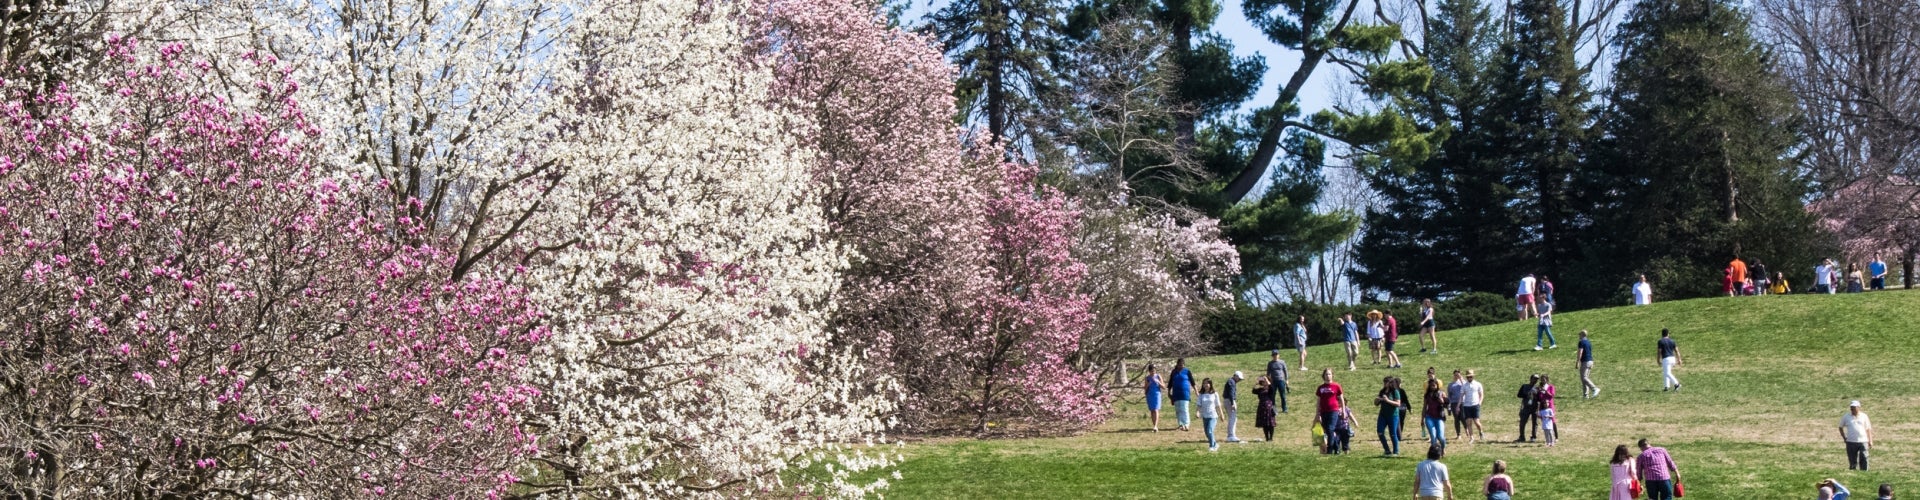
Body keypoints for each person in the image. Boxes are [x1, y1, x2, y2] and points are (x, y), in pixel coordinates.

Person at [1315, 369, 1352, 454]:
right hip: (1324, 411)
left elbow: (1341, 399)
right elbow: (1318, 401)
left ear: (1332, 375)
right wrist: (1317, 413)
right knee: (1327, 430)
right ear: (1323, 376)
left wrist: (1343, 411)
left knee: (1330, 428)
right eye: (1326, 374)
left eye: (1329, 374)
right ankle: (1336, 447)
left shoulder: (1336, 386)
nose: (1328, 376)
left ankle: (1330, 449)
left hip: (1333, 410)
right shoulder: (1320, 388)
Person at [1840, 400, 1874, 470]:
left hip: (1863, 440)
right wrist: (1844, 437)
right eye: (1851, 407)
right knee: (1852, 459)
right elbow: (1840, 427)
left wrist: (1870, 440)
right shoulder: (1846, 416)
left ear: (1858, 407)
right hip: (1851, 441)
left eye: (1854, 407)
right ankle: (1853, 471)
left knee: (1864, 457)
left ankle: (1864, 472)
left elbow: (1868, 429)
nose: (1852, 409)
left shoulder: (1864, 416)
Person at [1376, 376, 1404, 456]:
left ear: (1390, 383)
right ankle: (1387, 450)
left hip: (1393, 415)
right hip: (1383, 415)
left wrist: (1387, 400)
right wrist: (1377, 400)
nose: (1384, 384)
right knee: (1380, 432)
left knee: (1392, 434)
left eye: (1386, 382)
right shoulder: (1382, 391)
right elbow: (1376, 403)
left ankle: (1396, 451)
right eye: (1384, 382)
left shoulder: (1395, 392)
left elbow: (1398, 404)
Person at [1169, 358, 1196, 430]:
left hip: (1185, 393)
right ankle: (1181, 424)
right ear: (1177, 364)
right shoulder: (1173, 372)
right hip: (1176, 393)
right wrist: (1169, 393)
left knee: (1184, 409)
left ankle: (1186, 424)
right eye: (1179, 365)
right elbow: (1170, 383)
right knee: (1178, 410)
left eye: (1182, 365)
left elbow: (1192, 382)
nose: (1181, 366)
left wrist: (1196, 391)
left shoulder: (1187, 371)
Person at [1421, 376, 1447, 448]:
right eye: (1431, 385)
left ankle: (1443, 449)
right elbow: (1424, 407)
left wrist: (1441, 401)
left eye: (1434, 385)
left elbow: (1447, 406)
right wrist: (1422, 418)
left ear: (1437, 385)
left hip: (1439, 417)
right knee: (1433, 436)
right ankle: (1434, 453)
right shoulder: (1427, 395)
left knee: (1440, 437)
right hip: (1429, 416)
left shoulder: (1442, 393)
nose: (1433, 387)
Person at [1196, 378, 1222, 451]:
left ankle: (1212, 446)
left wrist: (1221, 414)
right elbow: (1199, 404)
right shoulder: (1201, 394)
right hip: (1205, 416)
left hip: (1213, 416)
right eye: (1204, 383)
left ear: (1210, 384)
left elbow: (1218, 405)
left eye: (1207, 383)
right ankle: (1215, 444)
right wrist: (1197, 412)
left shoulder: (1214, 394)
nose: (1205, 385)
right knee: (1207, 433)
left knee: (1209, 431)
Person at [1461, 370, 1486, 444]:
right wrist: (1459, 404)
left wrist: (1479, 403)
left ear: (1473, 376)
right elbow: (1461, 395)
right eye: (1468, 377)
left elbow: (1481, 394)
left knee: (1476, 422)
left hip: (1475, 405)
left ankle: (1481, 432)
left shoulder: (1478, 384)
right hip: (1467, 405)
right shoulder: (1464, 385)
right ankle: (1471, 437)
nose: (1469, 378)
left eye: (1471, 376)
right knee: (1468, 422)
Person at [1515, 375, 1539, 443]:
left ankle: (1533, 437)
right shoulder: (1524, 386)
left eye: (1536, 379)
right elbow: (1519, 395)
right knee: (1522, 422)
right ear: (1530, 379)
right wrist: (1527, 395)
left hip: (1534, 407)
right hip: (1526, 407)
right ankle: (1522, 437)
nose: (1535, 381)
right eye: (1534, 379)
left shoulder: (1537, 388)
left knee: (1535, 423)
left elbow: (1540, 397)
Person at [1535, 374, 1557, 447]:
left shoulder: (1551, 387)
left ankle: (1555, 437)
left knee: (1552, 420)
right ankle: (1547, 439)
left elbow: (1552, 395)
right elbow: (1539, 397)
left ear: (1547, 380)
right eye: (1542, 379)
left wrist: (1545, 391)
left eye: (1544, 379)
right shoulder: (1540, 388)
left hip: (1550, 405)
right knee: (1544, 420)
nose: (1543, 381)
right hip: (1542, 406)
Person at [1254, 375, 1278, 442]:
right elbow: (1253, 391)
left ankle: (1271, 438)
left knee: (1271, 424)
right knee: (1265, 424)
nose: (1264, 382)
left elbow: (1272, 388)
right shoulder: (1260, 389)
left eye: (1265, 381)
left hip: (1269, 407)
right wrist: (1256, 383)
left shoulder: (1270, 389)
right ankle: (1267, 438)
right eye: (1263, 381)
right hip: (1262, 407)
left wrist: (1267, 379)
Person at [1267, 350, 1290, 414]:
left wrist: (1287, 379)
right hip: (1273, 381)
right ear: (1272, 356)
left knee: (1282, 395)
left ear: (1278, 355)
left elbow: (1285, 371)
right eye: (1274, 355)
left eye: (1276, 355)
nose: (1275, 356)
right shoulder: (1270, 363)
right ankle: (1274, 409)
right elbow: (1268, 373)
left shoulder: (1282, 362)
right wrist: (1268, 381)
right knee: (1272, 396)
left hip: (1281, 381)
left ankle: (1284, 408)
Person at [1577, 330, 1599, 398]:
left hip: (1585, 361)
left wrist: (1577, 361)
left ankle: (1594, 388)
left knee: (1584, 377)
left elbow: (1580, 352)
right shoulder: (1588, 342)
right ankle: (1585, 395)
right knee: (1585, 378)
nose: (1579, 336)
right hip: (1590, 361)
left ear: (1582, 335)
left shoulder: (1581, 342)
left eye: (1580, 334)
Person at [1223, 371, 1243, 443]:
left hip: (1228, 400)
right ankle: (1231, 435)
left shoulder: (1231, 381)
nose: (1239, 380)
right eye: (1239, 379)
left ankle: (1231, 435)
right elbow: (1231, 393)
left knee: (1233, 418)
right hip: (1230, 401)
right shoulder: (1231, 382)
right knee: (1233, 418)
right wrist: (1232, 403)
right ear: (1235, 376)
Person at [1143, 363, 1164, 431]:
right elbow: (1145, 388)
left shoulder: (1158, 376)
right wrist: (1148, 384)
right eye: (1151, 371)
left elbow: (1163, 387)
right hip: (1150, 395)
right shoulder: (1147, 378)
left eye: (1154, 371)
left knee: (1156, 409)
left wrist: (1158, 382)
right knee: (1152, 410)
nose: (1153, 372)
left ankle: (1156, 425)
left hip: (1157, 394)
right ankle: (1154, 426)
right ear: (1149, 371)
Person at [1448, 370, 1468, 440]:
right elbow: (1449, 395)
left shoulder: (1463, 383)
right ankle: (1458, 434)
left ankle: (1466, 428)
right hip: (1454, 403)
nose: (1456, 376)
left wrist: (1461, 379)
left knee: (1462, 417)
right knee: (1456, 418)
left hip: (1462, 402)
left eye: (1458, 375)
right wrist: (1449, 405)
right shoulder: (1451, 384)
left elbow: (1466, 388)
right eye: (1455, 375)